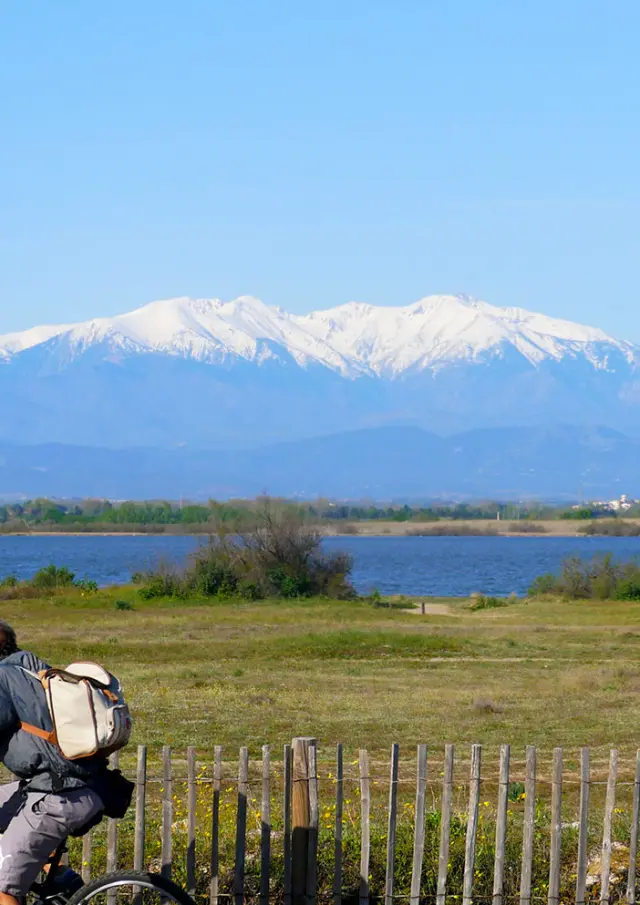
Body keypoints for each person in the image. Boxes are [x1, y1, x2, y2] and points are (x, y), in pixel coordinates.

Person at [0, 622, 110, 905]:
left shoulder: (3, 679)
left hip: (58, 794)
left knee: (2, 890)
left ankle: (25, 878)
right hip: (81, 784)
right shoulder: (31, 668)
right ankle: (57, 874)